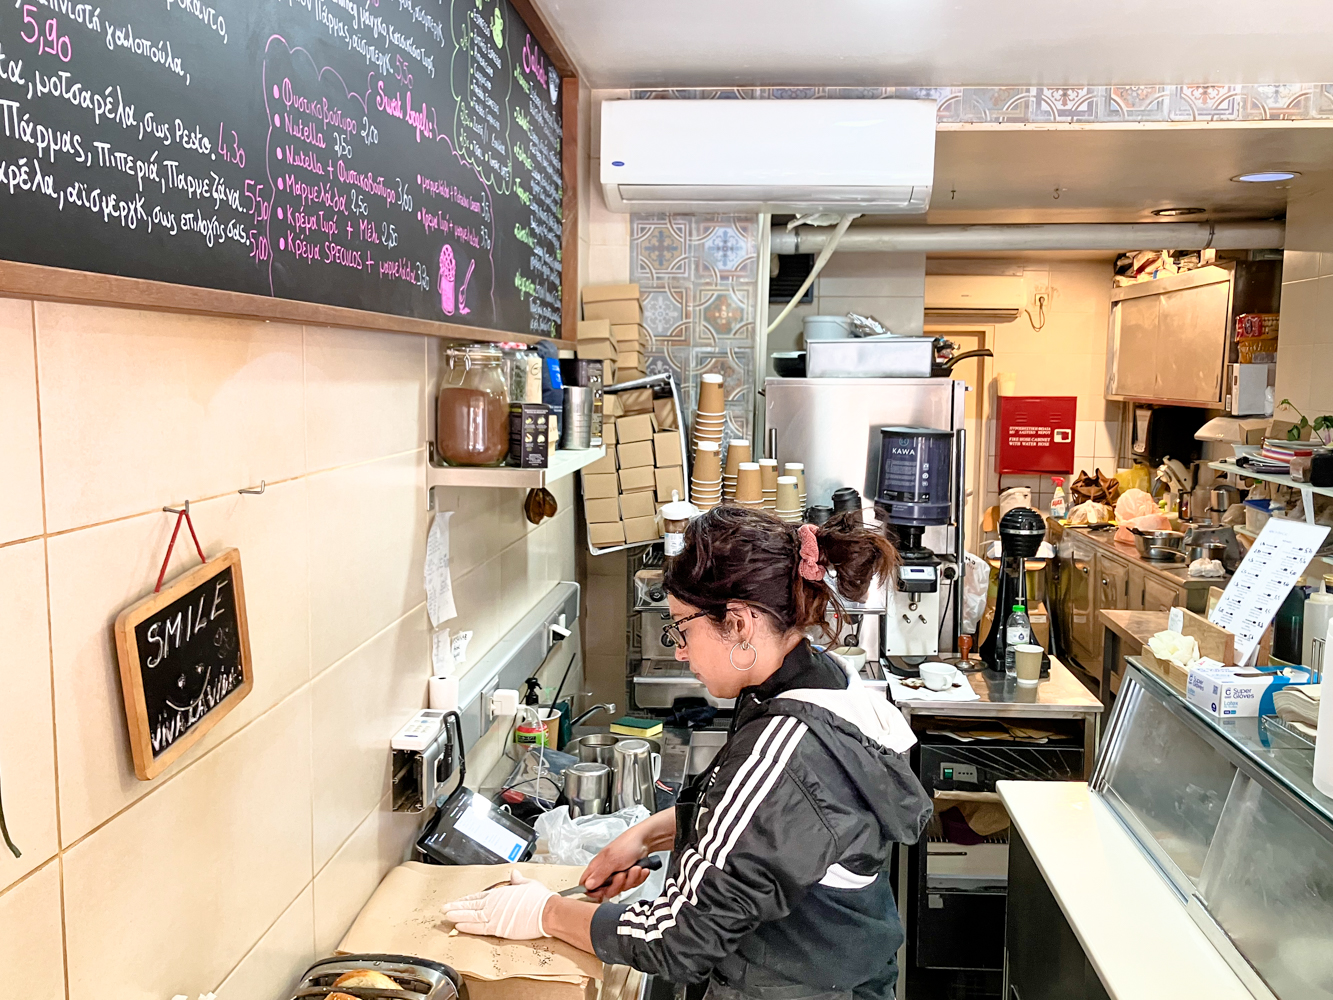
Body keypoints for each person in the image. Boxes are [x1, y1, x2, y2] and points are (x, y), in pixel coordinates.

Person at [444, 506, 932, 1000]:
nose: (679, 650)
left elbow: (680, 940)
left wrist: (545, 912)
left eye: (681, 627)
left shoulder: (787, 748)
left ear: (739, 622)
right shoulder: (813, 676)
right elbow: (775, 830)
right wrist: (648, 834)